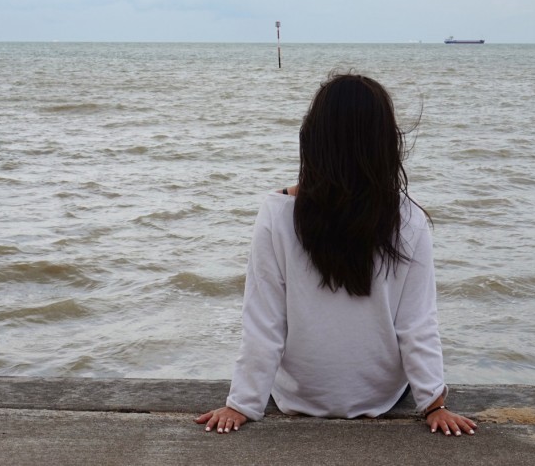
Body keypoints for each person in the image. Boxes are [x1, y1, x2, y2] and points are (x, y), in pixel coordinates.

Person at [196, 72, 477, 437]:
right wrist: (433, 404)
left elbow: (264, 322)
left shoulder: (276, 213)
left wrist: (242, 403)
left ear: (313, 140)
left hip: (298, 395)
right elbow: (416, 324)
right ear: (384, 143)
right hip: (381, 396)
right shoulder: (408, 218)